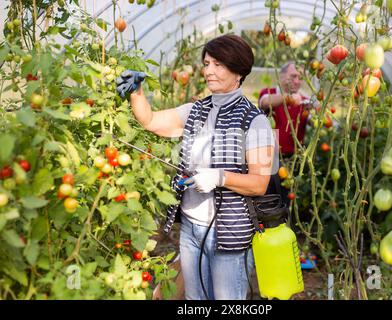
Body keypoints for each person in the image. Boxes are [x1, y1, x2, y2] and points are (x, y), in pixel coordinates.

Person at [117, 35, 275, 300]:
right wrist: (137, 93)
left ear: (238, 70)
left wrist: (219, 177)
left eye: (218, 64)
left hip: (230, 232)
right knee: (195, 300)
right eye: (207, 63)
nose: (209, 70)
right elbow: (151, 121)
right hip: (191, 227)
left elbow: (259, 184)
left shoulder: (254, 121)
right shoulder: (196, 111)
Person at [258, 61, 311, 206]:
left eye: (300, 78)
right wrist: (288, 98)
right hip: (268, 158)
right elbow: (264, 102)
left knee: (286, 201)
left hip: (291, 160)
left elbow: (317, 120)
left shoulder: (304, 102)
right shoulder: (269, 93)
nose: (297, 81)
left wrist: (315, 107)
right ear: (281, 76)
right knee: (265, 200)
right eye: (293, 76)